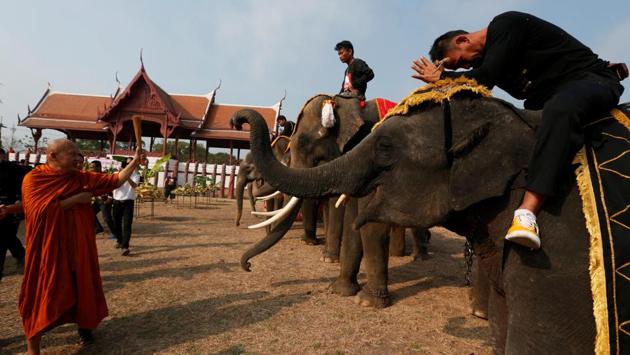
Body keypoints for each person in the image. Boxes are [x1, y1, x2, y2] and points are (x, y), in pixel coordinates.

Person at [411, 11, 626, 249]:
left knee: (560, 109)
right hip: (548, 98)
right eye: (462, 66)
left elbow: (482, 80)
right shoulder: (490, 60)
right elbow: (480, 86)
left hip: (590, 82)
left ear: (462, 40)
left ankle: (527, 211)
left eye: (462, 61)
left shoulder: (506, 23)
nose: (466, 65)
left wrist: (444, 77)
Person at [12, 139, 143, 354]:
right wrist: (76, 200)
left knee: (81, 287)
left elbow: (115, 180)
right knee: (42, 292)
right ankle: (32, 347)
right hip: (49, 249)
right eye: (72, 154)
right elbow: (36, 212)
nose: (79, 158)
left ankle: (85, 327)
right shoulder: (34, 179)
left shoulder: (81, 177)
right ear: (53, 156)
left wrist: (135, 161)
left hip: (79, 248)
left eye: (79, 154)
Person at [0, 148, 29, 280]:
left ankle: (22, 257)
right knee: (8, 237)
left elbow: (31, 179)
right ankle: (21, 256)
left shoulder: (16, 169)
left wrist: (22, 198)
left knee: (6, 237)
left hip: (11, 208)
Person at [112, 157, 140, 256]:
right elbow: (113, 185)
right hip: (117, 201)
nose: (129, 165)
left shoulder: (136, 175)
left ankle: (125, 246)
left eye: (131, 163)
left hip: (128, 202)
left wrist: (127, 176)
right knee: (116, 223)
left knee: (127, 225)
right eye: (127, 164)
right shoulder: (116, 174)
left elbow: (134, 185)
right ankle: (120, 241)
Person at [88, 160, 115, 239]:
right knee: (89, 212)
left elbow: (112, 188)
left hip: (106, 200)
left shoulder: (105, 177)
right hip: (97, 200)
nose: (91, 169)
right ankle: (98, 228)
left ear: (99, 167)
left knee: (107, 218)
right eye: (90, 167)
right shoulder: (92, 177)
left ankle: (115, 233)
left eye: (92, 167)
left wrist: (110, 199)